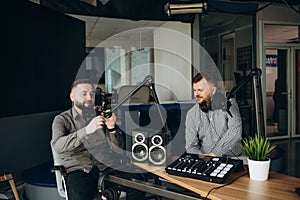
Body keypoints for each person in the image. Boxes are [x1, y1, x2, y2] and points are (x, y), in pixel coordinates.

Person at [51, 79, 146, 200]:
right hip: (79, 170)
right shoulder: (61, 120)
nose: (89, 98)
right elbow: (58, 146)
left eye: (91, 94)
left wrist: (112, 128)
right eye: (84, 94)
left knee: (138, 184)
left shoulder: (100, 116)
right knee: (80, 195)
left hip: (106, 167)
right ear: (72, 96)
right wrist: (86, 130)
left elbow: (118, 149)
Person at [185, 71, 243, 157]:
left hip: (235, 157)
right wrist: (204, 160)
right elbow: (191, 146)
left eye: (200, 90)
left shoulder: (229, 104)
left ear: (213, 90)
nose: (196, 94)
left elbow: (236, 130)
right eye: (194, 90)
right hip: (206, 161)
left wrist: (214, 153)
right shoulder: (192, 114)